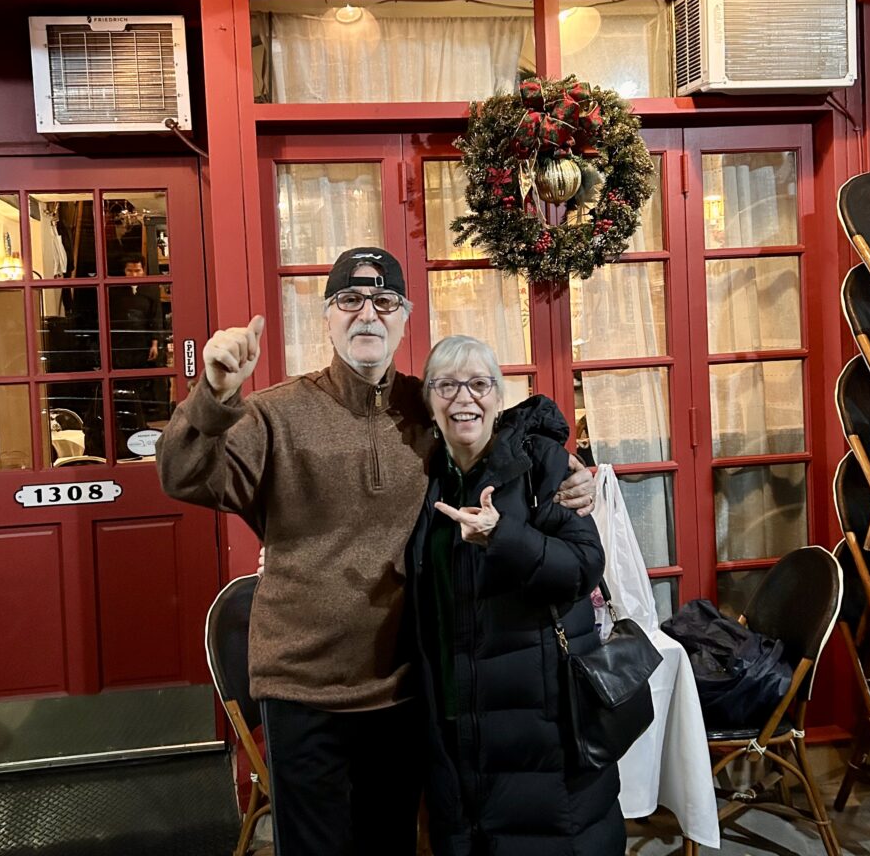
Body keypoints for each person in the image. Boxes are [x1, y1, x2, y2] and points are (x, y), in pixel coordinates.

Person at [155, 247, 595, 856]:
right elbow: (184, 475)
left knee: (391, 843)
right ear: (328, 317)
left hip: (401, 686)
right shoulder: (273, 414)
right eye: (351, 301)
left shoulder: (426, 407)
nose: (369, 314)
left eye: (385, 302)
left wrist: (569, 470)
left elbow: (503, 429)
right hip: (302, 686)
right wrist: (213, 391)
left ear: (404, 318)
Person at [407, 334, 625, 856]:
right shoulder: (423, 477)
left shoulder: (540, 464)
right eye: (447, 385)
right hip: (455, 720)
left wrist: (504, 537)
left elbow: (583, 567)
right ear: (429, 401)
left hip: (541, 720)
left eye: (479, 384)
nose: (464, 397)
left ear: (498, 396)